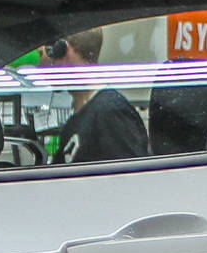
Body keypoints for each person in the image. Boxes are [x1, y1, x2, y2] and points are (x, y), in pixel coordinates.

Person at [41, 27, 148, 163]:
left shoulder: (109, 112)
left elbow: (129, 177)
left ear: (60, 50)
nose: (39, 64)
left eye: (42, 53)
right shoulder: (81, 118)